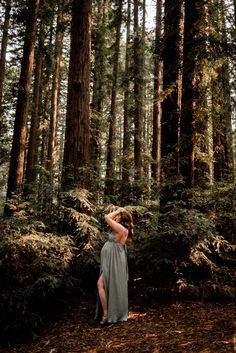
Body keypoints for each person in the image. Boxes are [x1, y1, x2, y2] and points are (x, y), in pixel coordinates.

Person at [94, 207, 134, 325]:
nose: (115, 217)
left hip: (114, 260)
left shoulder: (121, 228)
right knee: (112, 285)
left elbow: (106, 217)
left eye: (117, 216)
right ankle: (110, 312)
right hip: (114, 259)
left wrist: (118, 210)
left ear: (121, 218)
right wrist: (119, 212)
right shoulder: (123, 228)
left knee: (100, 284)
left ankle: (106, 313)